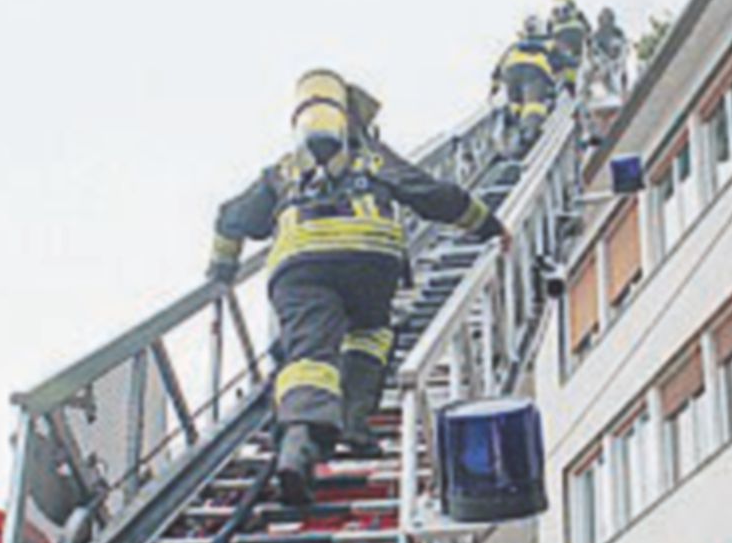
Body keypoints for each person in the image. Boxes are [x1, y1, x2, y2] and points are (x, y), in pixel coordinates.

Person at [207, 68, 509, 505]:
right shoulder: (372, 157)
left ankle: (298, 446)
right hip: (371, 261)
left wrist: (222, 269)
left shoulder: (283, 171)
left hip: (301, 268)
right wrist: (487, 223)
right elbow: (429, 193)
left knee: (310, 356)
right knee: (371, 334)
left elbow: (230, 217)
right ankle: (353, 425)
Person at [491, 16, 562, 154]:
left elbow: (498, 68)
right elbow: (560, 62)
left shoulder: (515, 46)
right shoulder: (549, 44)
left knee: (515, 103)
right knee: (534, 107)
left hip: (511, 71)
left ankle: (511, 121)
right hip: (535, 72)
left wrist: (494, 86)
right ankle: (528, 135)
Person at [547, 0, 591, 91]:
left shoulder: (578, 16)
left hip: (577, 56)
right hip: (562, 61)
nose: (561, 12)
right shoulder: (551, 21)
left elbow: (589, 33)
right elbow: (547, 38)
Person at [592, 7, 629, 98]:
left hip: (618, 58)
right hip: (605, 60)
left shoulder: (618, 32)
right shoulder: (596, 35)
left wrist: (619, 55)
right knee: (602, 73)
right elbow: (594, 51)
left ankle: (624, 91)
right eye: (604, 19)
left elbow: (624, 45)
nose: (606, 23)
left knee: (623, 70)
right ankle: (608, 94)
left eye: (608, 19)